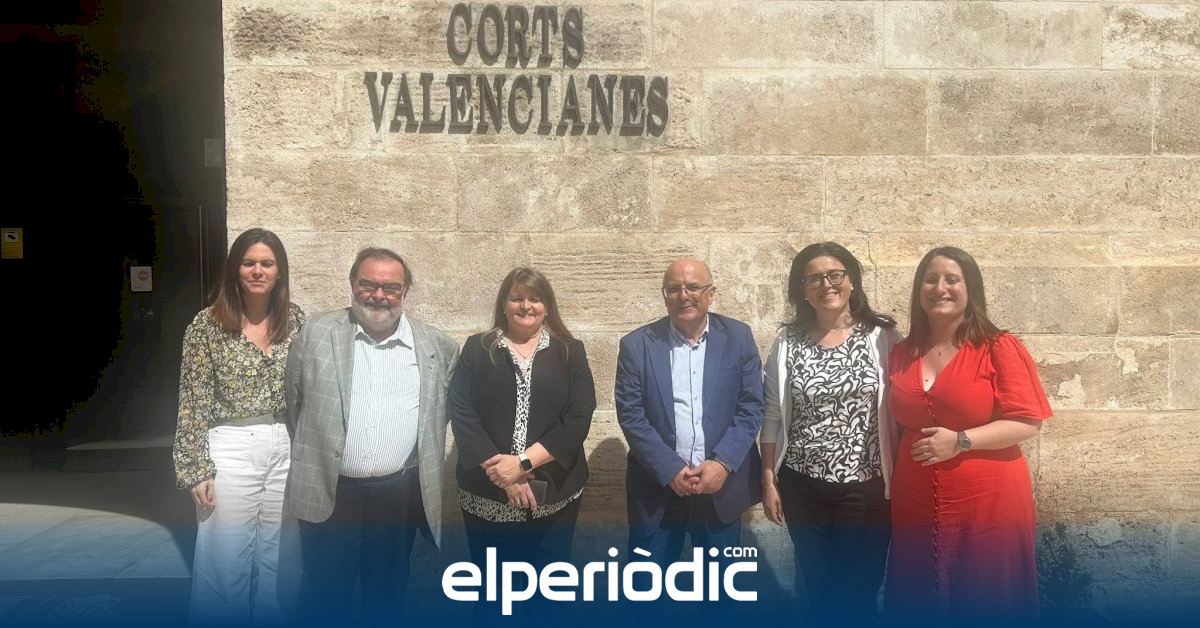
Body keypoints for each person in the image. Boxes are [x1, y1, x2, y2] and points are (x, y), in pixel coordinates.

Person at [283, 247, 459, 623]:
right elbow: (294, 403)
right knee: (324, 598)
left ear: (405, 291)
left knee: (387, 595)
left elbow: (436, 417)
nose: (379, 295)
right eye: (368, 284)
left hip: (397, 497)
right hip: (330, 492)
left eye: (391, 287)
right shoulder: (316, 331)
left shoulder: (437, 345)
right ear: (352, 284)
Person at [884, 246, 1052, 624]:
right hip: (914, 500)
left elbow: (1028, 421)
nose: (940, 288)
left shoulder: (998, 346)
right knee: (917, 596)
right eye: (930, 279)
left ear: (970, 288)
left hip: (987, 501)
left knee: (986, 595)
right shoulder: (902, 352)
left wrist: (960, 440)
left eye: (952, 279)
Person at [759, 242, 901, 624]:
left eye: (835, 274)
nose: (826, 285)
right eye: (814, 279)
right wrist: (769, 479)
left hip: (866, 488)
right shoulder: (787, 342)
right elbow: (771, 415)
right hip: (802, 487)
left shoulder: (883, 337)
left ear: (851, 280)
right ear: (802, 290)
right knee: (819, 591)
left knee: (859, 591)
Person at [173, 228, 304, 625]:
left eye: (266, 263)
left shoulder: (296, 320)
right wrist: (196, 467)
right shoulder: (207, 325)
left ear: (279, 271)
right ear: (235, 269)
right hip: (230, 445)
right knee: (224, 556)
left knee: (282, 557)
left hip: (285, 443)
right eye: (248, 263)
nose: (257, 271)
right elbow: (192, 399)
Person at [448, 267, 596, 614]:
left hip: (554, 493)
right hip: (487, 491)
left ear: (547, 306)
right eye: (517, 298)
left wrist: (522, 464)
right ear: (503, 304)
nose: (526, 306)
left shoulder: (569, 351)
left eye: (535, 298)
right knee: (492, 592)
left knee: (548, 589)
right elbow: (462, 411)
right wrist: (504, 474)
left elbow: (579, 415)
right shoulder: (478, 348)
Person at [614, 258, 765, 571]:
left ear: (711, 293)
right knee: (645, 587)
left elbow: (751, 406)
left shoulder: (738, 338)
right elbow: (631, 414)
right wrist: (670, 470)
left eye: (693, 287)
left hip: (720, 488)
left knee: (719, 589)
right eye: (674, 289)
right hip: (658, 489)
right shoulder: (637, 345)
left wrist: (723, 463)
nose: (684, 295)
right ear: (664, 295)